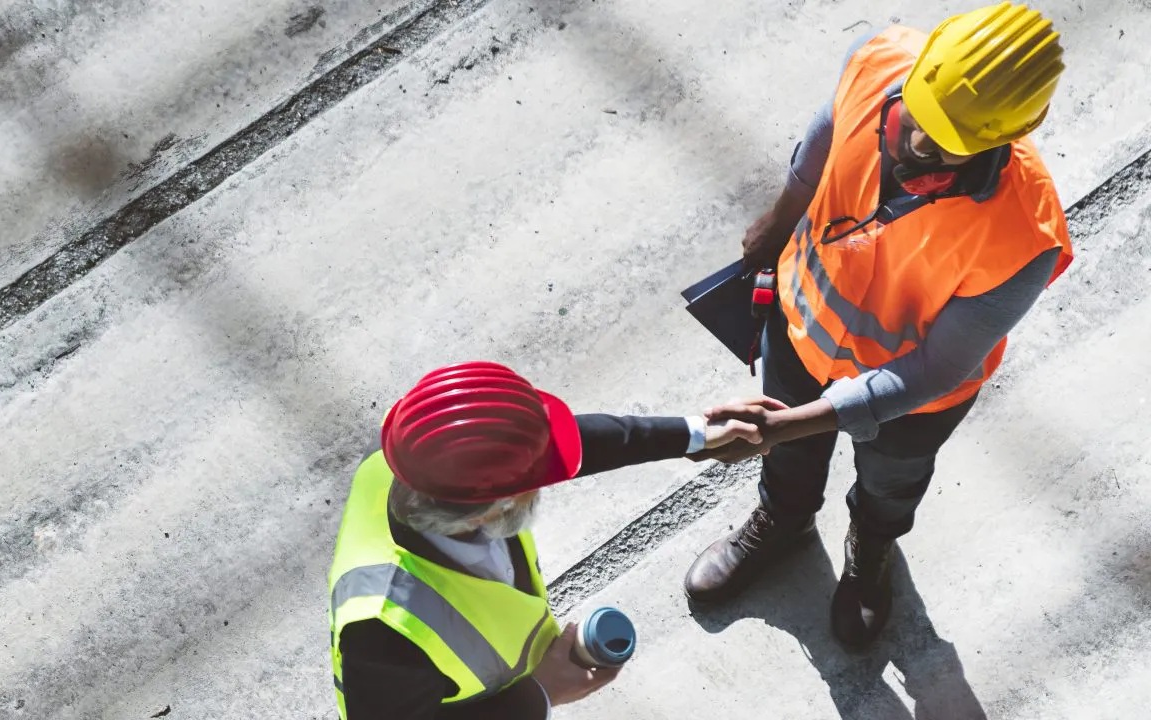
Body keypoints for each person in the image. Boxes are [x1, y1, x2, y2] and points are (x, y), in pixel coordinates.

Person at [683, 2, 1074, 649]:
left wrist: (793, 421)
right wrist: (778, 223)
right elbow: (820, 145)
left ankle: (869, 555)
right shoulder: (878, 59)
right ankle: (783, 520)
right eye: (911, 113)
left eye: (934, 140)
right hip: (801, 321)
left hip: (912, 401)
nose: (907, 141)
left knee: (891, 484)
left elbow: (933, 370)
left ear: (1000, 137)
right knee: (788, 455)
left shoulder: (1024, 235)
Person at [328, 361, 781, 719]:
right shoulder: (384, 633)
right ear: (494, 504)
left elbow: (548, 445)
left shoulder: (410, 454)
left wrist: (694, 435)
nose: (551, 472)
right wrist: (541, 692)